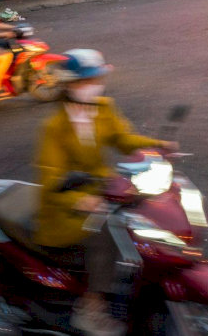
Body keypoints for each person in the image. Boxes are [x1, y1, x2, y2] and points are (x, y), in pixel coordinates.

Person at [34, 49, 176, 336]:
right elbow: (51, 181)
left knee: (142, 216)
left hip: (101, 189)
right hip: (65, 204)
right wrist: (82, 200)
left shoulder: (103, 107)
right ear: (69, 84)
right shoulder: (54, 127)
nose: (95, 85)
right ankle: (90, 309)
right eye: (88, 80)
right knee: (105, 233)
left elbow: (123, 138)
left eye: (97, 78)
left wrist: (157, 145)